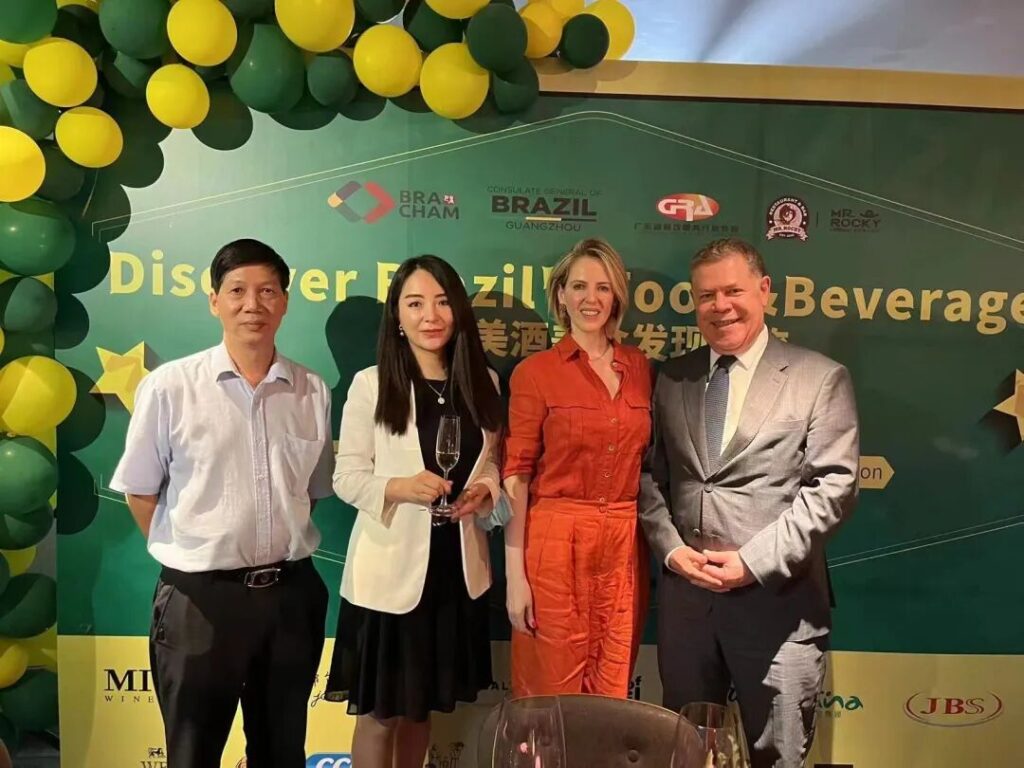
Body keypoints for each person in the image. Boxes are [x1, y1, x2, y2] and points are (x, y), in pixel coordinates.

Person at [109, 239, 334, 768]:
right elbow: (140, 491)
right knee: (193, 753)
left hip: (291, 598)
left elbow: (309, 493)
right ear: (215, 301)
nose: (252, 304)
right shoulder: (170, 386)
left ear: (284, 301)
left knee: (282, 751)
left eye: (267, 291)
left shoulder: (312, 389)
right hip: (200, 602)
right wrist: (195, 553)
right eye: (237, 291)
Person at [639, 238, 859, 767]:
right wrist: (671, 551)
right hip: (687, 610)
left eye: (733, 291)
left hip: (778, 608)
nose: (720, 306)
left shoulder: (819, 378)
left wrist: (751, 562)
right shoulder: (672, 376)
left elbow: (833, 488)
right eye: (706, 295)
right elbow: (649, 478)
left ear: (764, 291)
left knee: (778, 756)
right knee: (686, 753)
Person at [326, 255, 505, 768]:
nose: (431, 315)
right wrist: (400, 488)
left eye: (442, 302)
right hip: (389, 579)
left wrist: (487, 490)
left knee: (421, 710)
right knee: (381, 715)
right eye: (415, 303)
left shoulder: (484, 382)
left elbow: (492, 462)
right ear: (398, 317)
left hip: (456, 570)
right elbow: (346, 477)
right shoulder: (371, 383)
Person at [503, 237, 651, 697]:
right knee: (549, 698)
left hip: (622, 548)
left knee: (611, 692)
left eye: (603, 288)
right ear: (561, 295)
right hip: (553, 546)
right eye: (580, 286)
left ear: (617, 297)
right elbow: (516, 476)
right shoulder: (535, 373)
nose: (592, 299)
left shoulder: (641, 368)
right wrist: (515, 578)